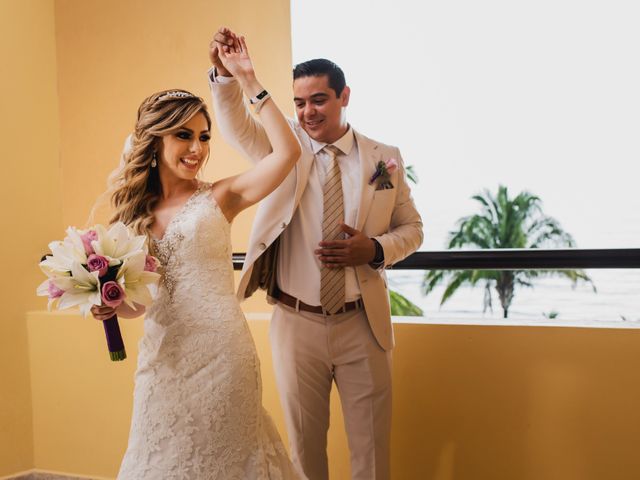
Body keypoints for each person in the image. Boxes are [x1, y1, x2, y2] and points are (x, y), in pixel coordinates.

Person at [210, 27, 423, 480]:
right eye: (300, 103)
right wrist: (228, 76)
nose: (308, 112)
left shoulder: (385, 159)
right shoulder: (281, 147)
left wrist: (375, 249)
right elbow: (233, 126)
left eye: (319, 100)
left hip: (362, 323)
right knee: (303, 454)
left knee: (371, 452)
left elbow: (414, 229)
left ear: (345, 96)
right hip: (296, 323)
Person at [90, 35, 302, 479]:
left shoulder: (222, 196)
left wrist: (247, 79)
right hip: (163, 357)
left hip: (223, 355)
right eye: (183, 135)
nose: (198, 148)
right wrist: (111, 304)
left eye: (204, 136)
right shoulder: (131, 218)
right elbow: (138, 303)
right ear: (154, 140)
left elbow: (288, 154)